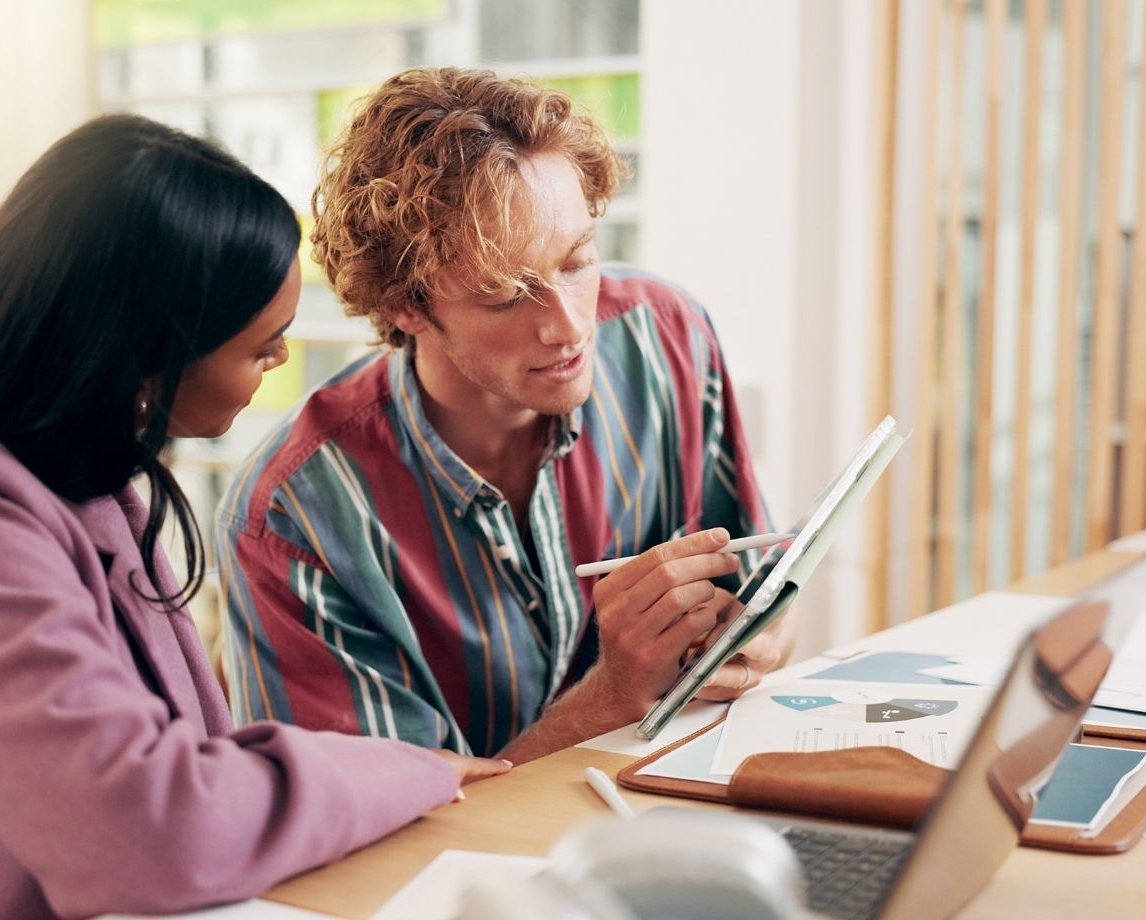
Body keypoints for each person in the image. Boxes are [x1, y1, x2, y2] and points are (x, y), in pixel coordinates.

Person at [0, 113, 507, 920]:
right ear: (142, 352)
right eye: (261, 348)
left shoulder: (84, 489)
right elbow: (153, 829)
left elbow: (174, 768)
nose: (275, 368)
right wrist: (412, 769)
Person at [216, 68, 793, 764]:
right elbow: (379, 847)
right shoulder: (292, 519)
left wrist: (756, 633)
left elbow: (759, 584)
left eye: (578, 260)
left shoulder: (668, 339)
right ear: (406, 305)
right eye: (504, 296)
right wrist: (612, 695)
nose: (568, 327)